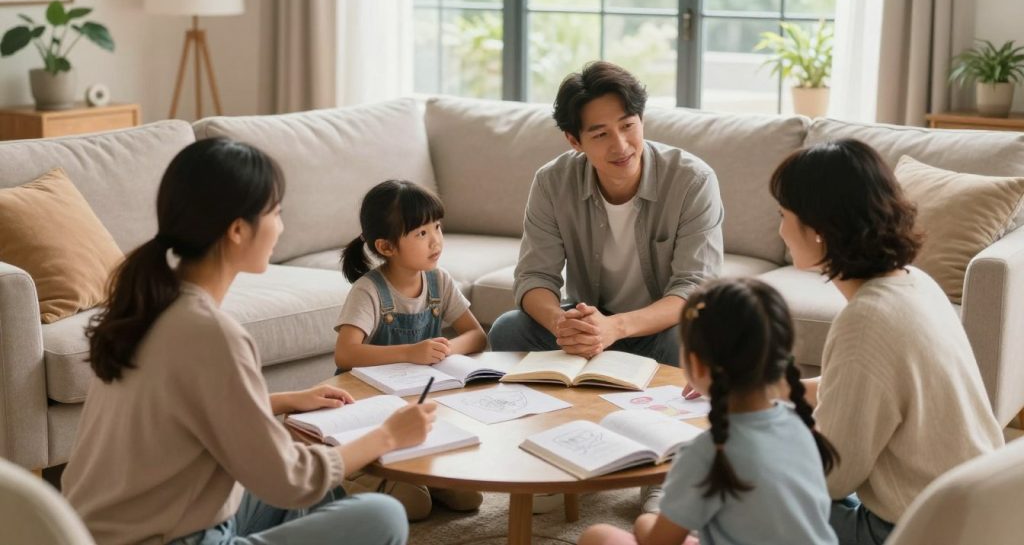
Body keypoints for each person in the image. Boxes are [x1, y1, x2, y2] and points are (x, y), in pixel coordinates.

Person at [62, 138, 435, 545]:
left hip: (101, 529)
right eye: (275, 212)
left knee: (321, 487)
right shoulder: (210, 333)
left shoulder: (146, 305)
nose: (281, 226)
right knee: (381, 517)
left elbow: (175, 412)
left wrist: (287, 399)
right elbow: (290, 480)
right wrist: (389, 436)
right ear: (238, 230)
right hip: (170, 537)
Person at [769, 138, 1004, 544]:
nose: (780, 229)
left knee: (751, 483)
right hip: (973, 513)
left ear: (820, 230)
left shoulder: (865, 321)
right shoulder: (915, 283)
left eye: (783, 214)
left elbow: (832, 480)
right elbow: (865, 391)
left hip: (914, 531)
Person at [488, 61, 724, 368]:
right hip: (591, 323)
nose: (621, 146)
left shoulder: (693, 180)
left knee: (696, 341)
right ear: (575, 141)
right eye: (600, 135)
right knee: (508, 330)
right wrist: (564, 325)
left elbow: (695, 289)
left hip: (658, 327)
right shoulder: (552, 182)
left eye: (628, 126)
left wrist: (616, 328)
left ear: (642, 120)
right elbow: (534, 277)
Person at [578, 278, 839, 545]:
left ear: (697, 365)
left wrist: (649, 526)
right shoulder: (807, 427)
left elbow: (660, 542)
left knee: (598, 536)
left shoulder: (705, 454)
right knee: (649, 523)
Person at [334, 179, 487, 519]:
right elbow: (345, 354)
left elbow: (476, 336)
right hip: (370, 413)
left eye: (437, 227)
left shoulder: (439, 281)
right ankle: (346, 478)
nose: (436, 240)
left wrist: (446, 350)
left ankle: (415, 471)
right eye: (421, 233)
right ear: (386, 247)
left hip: (416, 410)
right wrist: (410, 352)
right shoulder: (369, 291)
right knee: (414, 506)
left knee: (469, 499)